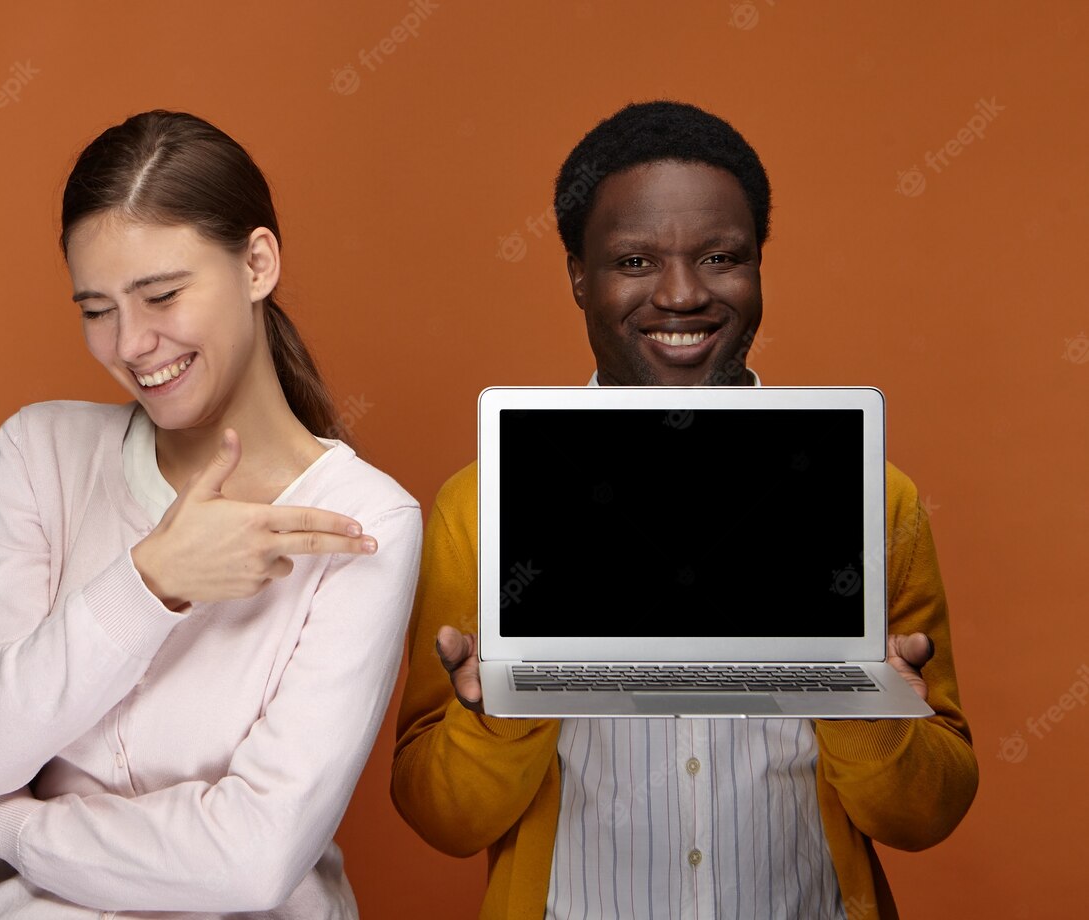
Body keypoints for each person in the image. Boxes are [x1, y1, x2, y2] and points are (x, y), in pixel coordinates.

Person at [390, 100, 977, 920]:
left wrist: (862, 703)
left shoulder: (876, 498)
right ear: (576, 276)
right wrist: (498, 720)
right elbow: (439, 818)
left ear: (758, 265)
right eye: (634, 261)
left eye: (720, 256)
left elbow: (931, 815)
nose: (681, 294)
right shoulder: (482, 507)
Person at [0, 109, 422, 918]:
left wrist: (15, 830)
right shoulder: (38, 453)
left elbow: (251, 861)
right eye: (97, 310)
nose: (130, 343)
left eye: (161, 295)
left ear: (257, 264)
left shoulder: (363, 521)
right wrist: (150, 580)